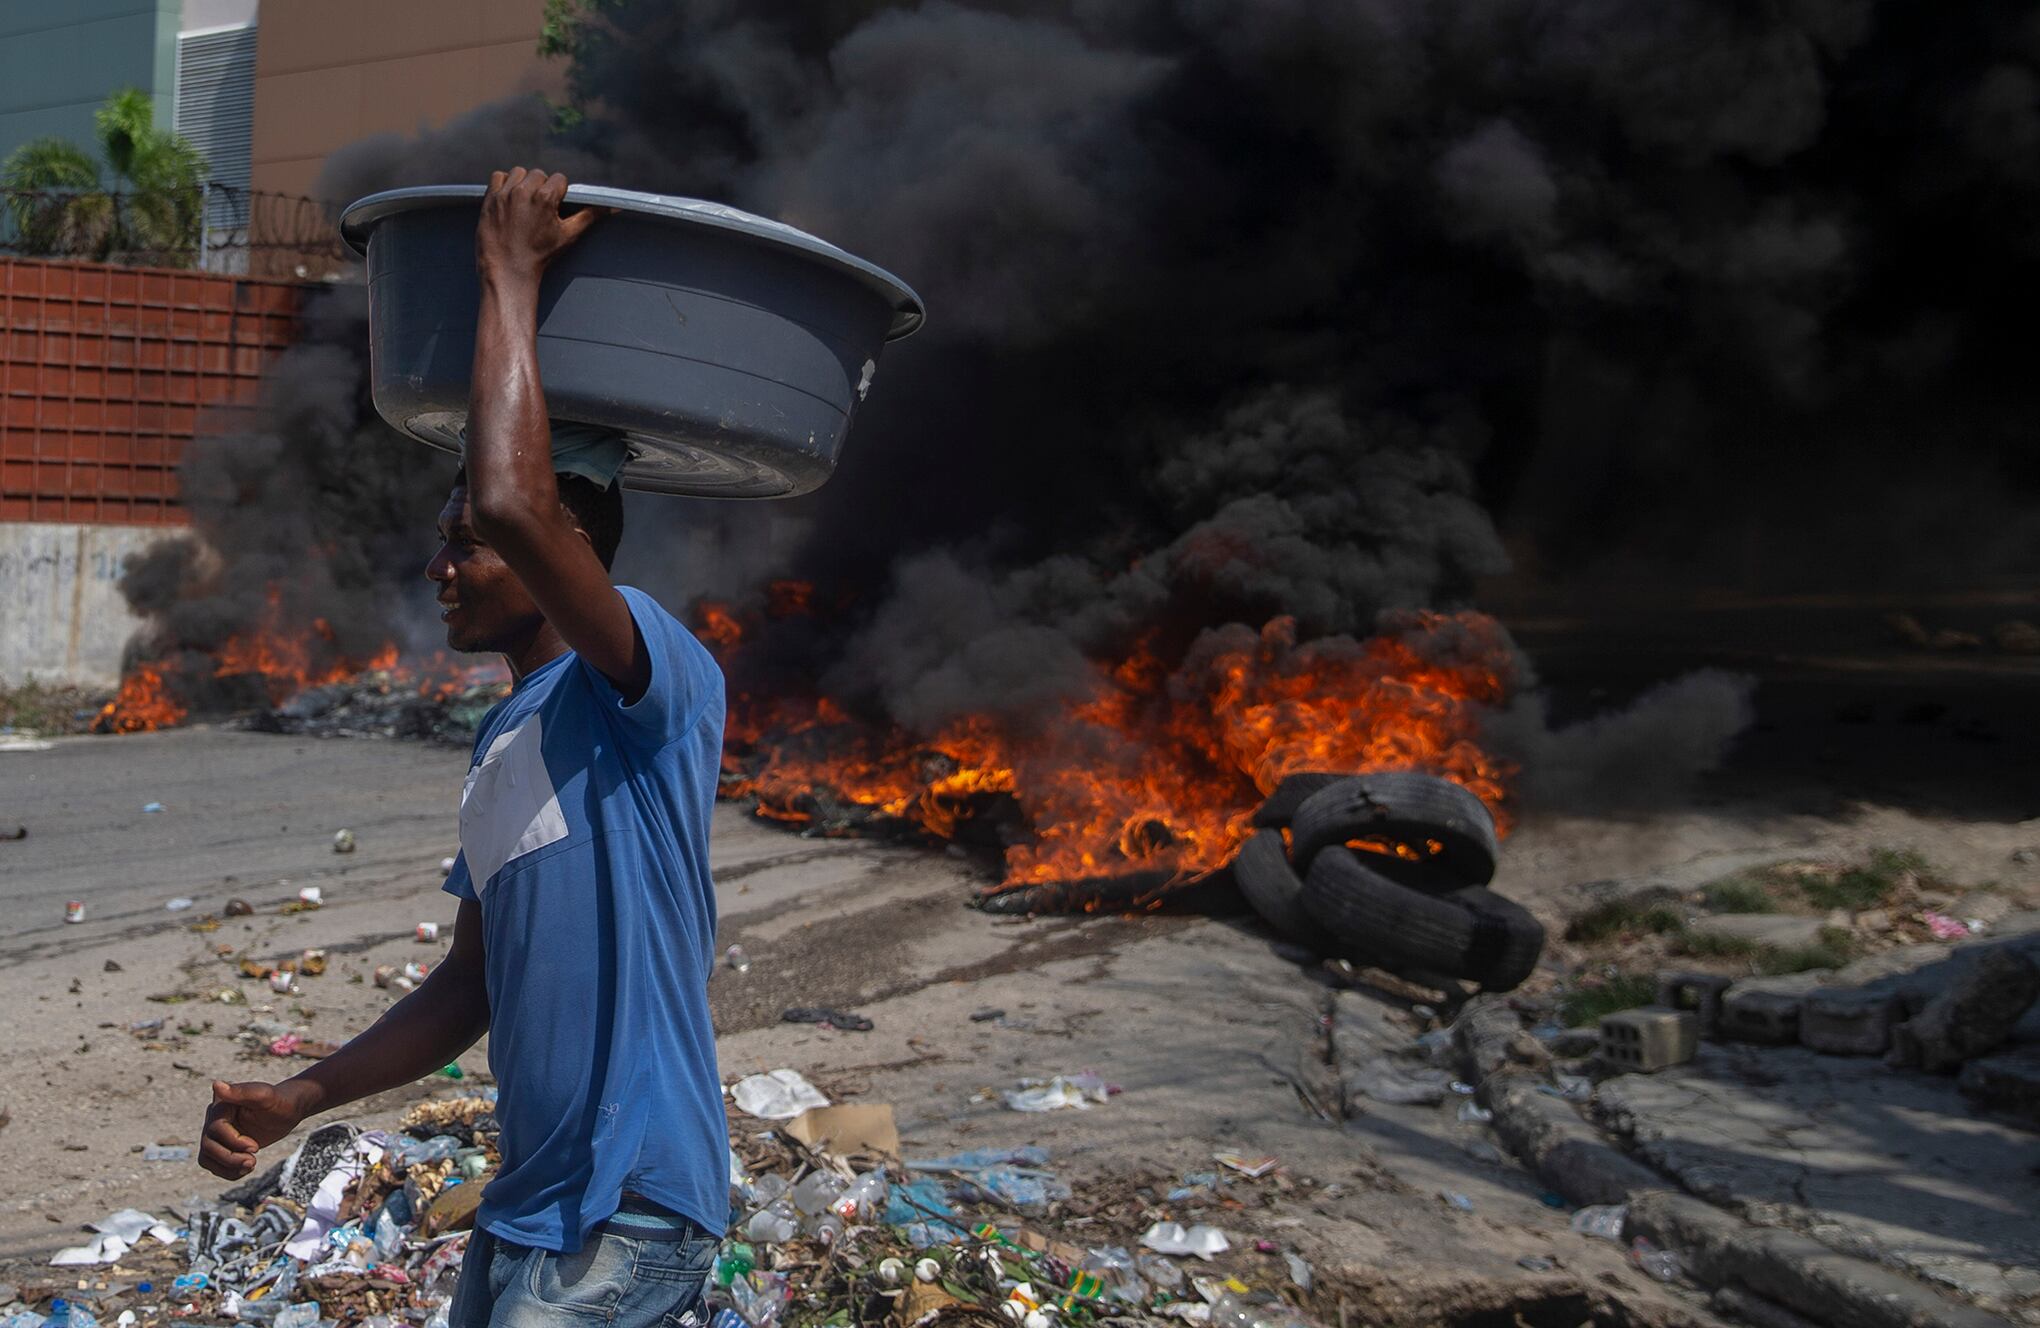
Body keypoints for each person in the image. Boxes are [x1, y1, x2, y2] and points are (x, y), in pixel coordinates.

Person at [197, 168, 729, 1328]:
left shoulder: (649, 681)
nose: (444, 563)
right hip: (531, 1208)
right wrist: (304, 1090)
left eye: (467, 543)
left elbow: (514, 499)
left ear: (562, 545)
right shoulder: (507, 737)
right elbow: (468, 984)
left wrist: (508, 272)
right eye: (445, 540)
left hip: (628, 1206)